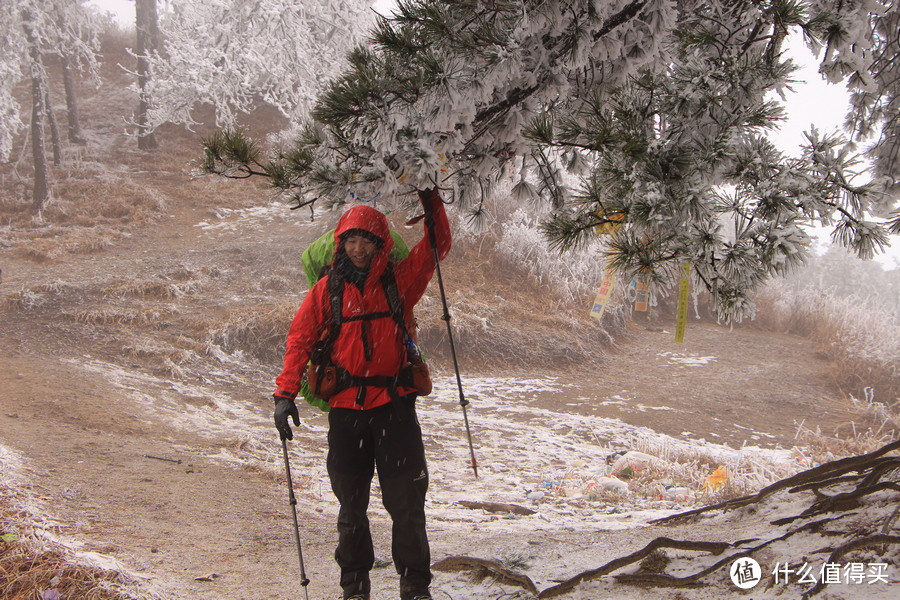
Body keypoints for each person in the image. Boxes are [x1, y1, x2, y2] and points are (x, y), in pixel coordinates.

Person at [273, 189, 451, 600]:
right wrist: (284, 394)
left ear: (379, 244)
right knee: (351, 508)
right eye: (350, 240)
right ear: (341, 243)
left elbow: (436, 246)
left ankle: (415, 587)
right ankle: (354, 588)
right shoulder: (325, 291)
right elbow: (299, 341)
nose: (357, 248)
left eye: (366, 241)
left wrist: (432, 203)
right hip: (347, 414)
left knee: (406, 504)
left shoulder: (400, 281)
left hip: (394, 409)